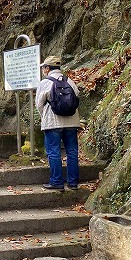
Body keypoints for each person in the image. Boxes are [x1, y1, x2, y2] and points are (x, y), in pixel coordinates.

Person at [35, 55, 81, 190]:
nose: (43, 70)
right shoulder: (70, 81)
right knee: (72, 152)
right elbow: (76, 97)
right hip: (72, 122)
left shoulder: (45, 83)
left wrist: (45, 115)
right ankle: (73, 182)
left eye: (44, 67)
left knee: (53, 151)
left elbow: (39, 104)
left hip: (53, 123)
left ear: (48, 68)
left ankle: (57, 182)